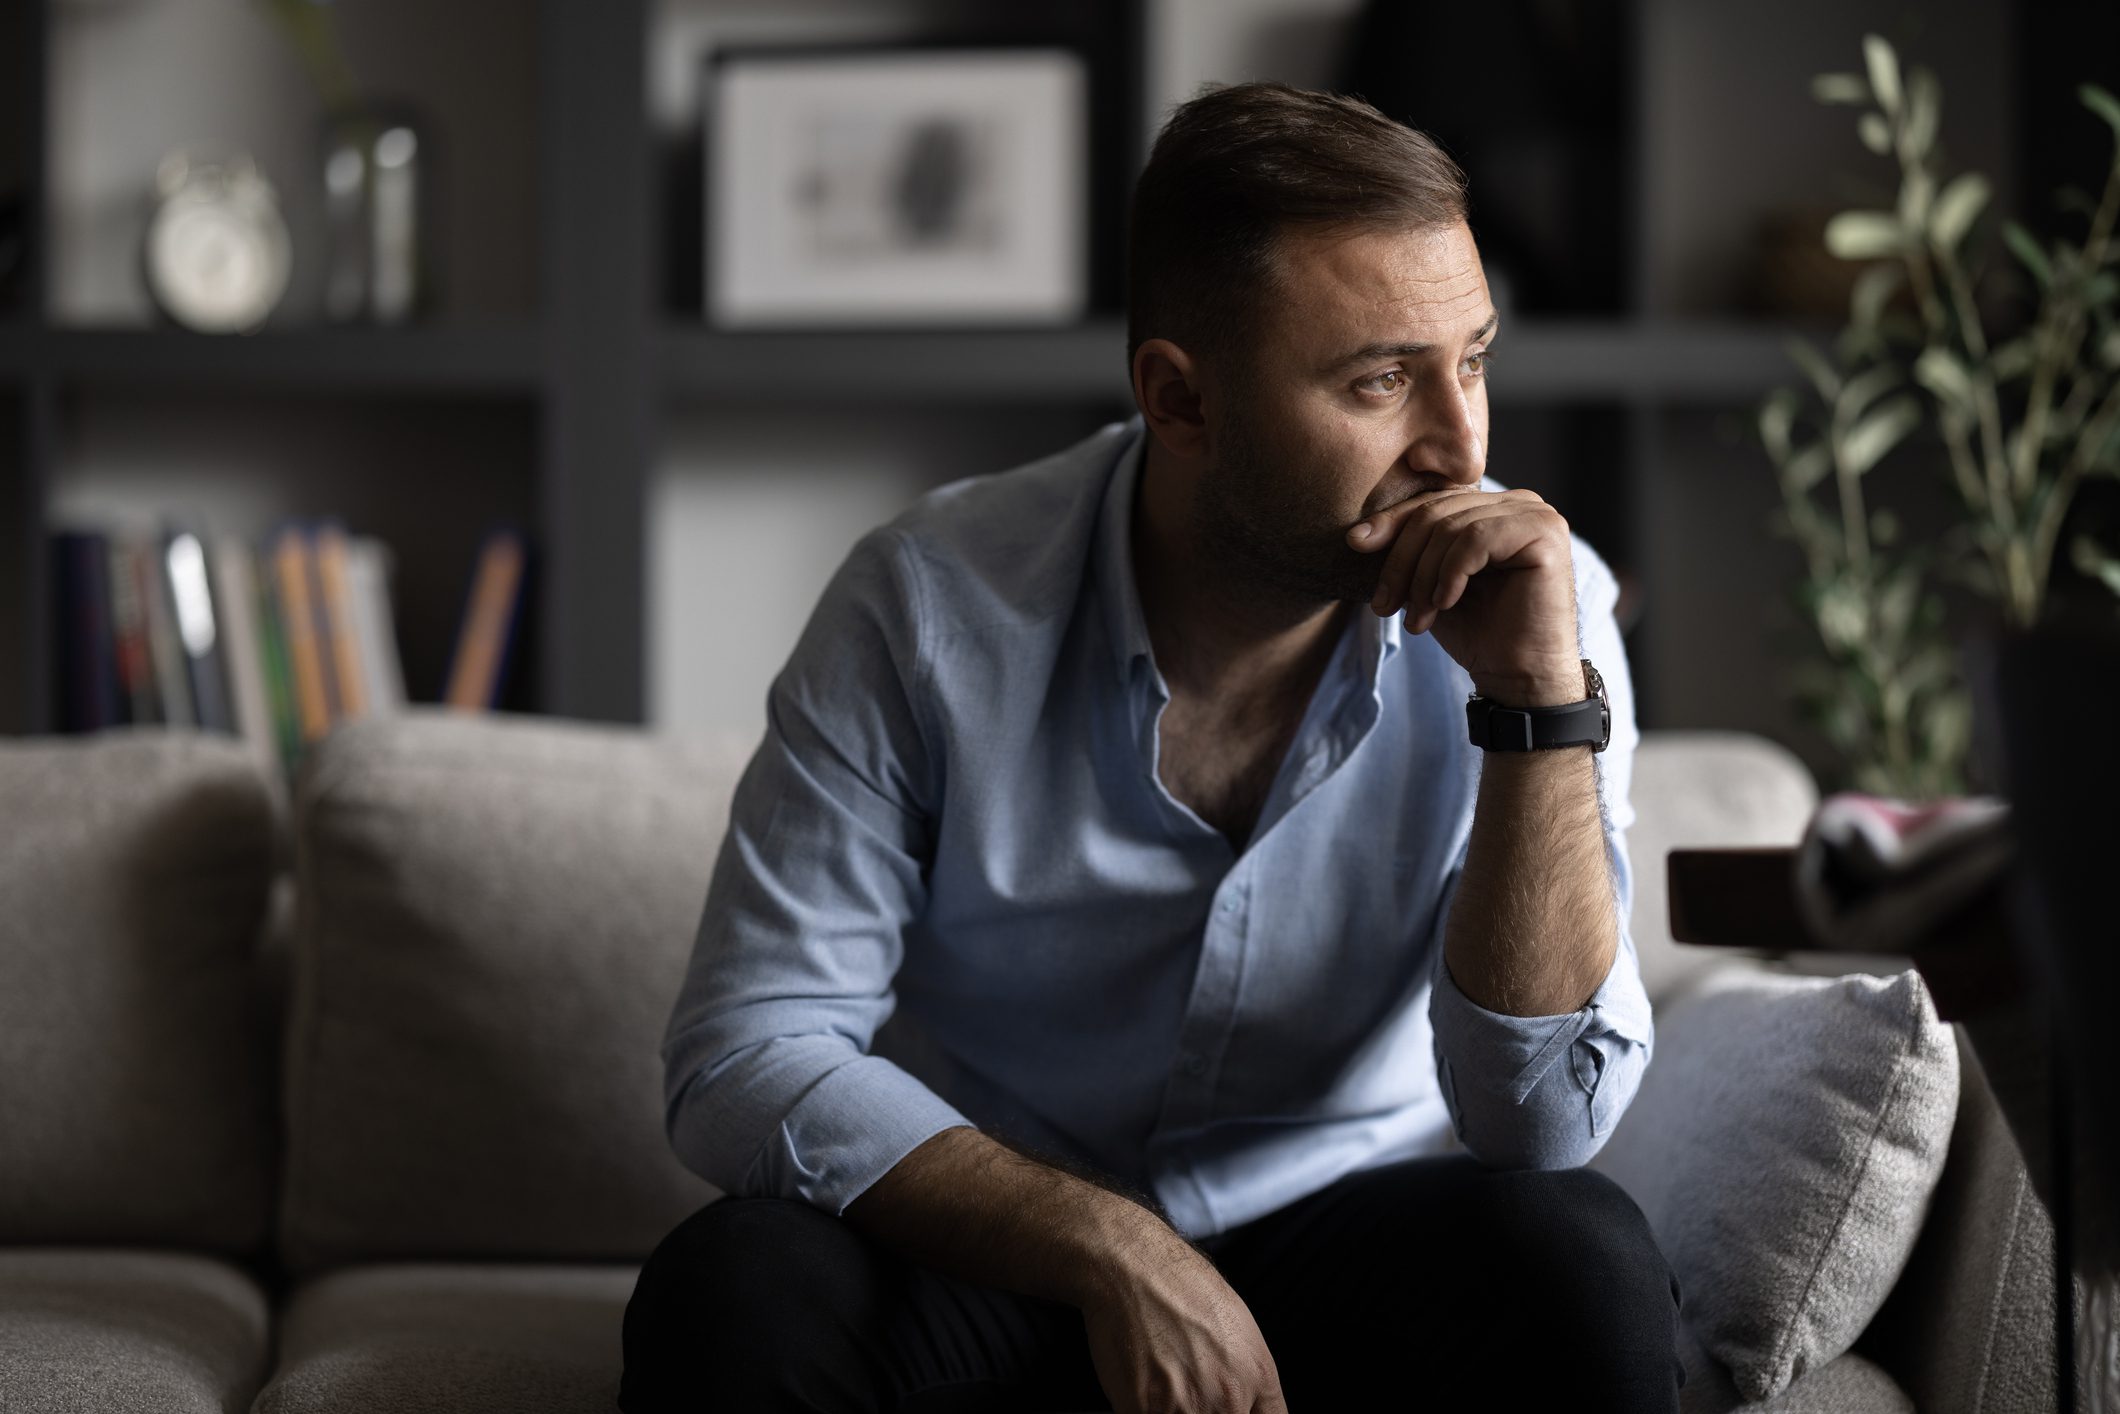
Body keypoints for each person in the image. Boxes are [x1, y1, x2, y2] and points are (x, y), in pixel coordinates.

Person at [622, 80, 1683, 1413]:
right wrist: (1107, 1246)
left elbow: (1541, 1123)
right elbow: (746, 1052)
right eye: (1378, 382)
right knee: (735, 1289)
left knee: (1579, 1263)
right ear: (1178, 399)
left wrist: (1537, 701)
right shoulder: (927, 605)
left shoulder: (1549, 605)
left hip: (1352, 1246)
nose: (1461, 444)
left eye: (1471, 360)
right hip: (1009, 1260)